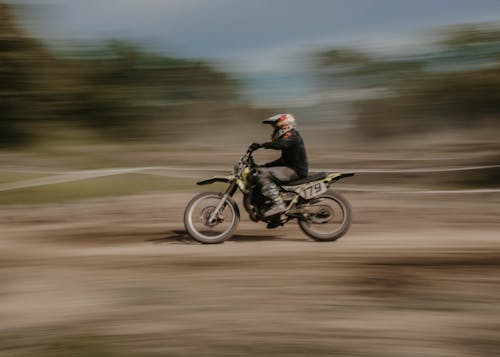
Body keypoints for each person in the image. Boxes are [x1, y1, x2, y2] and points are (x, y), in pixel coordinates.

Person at [250, 113, 309, 217]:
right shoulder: (290, 136)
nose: (274, 130)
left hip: (295, 171)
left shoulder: (292, 135)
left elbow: (281, 144)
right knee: (262, 171)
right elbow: (284, 160)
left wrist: (262, 145)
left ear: (284, 125)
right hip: (291, 169)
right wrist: (266, 165)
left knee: (262, 174)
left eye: (275, 126)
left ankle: (279, 204)